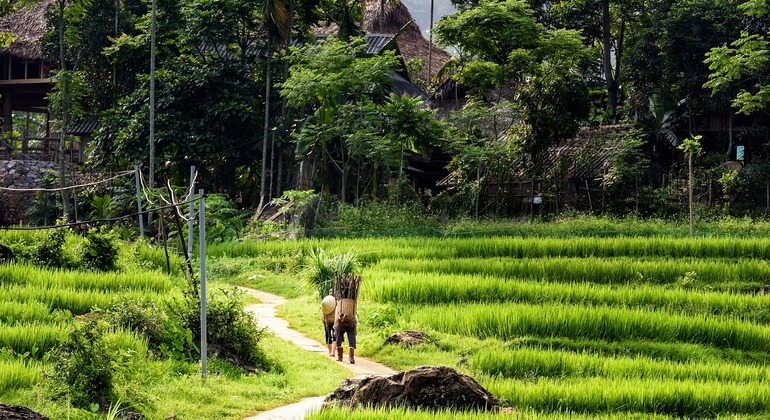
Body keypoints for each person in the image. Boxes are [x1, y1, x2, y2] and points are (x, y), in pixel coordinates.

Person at [320, 290, 336, 357]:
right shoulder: (336, 302)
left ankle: (330, 352)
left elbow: (322, 313)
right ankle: (333, 352)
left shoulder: (324, 302)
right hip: (335, 321)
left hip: (326, 321)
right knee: (335, 335)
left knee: (328, 335)